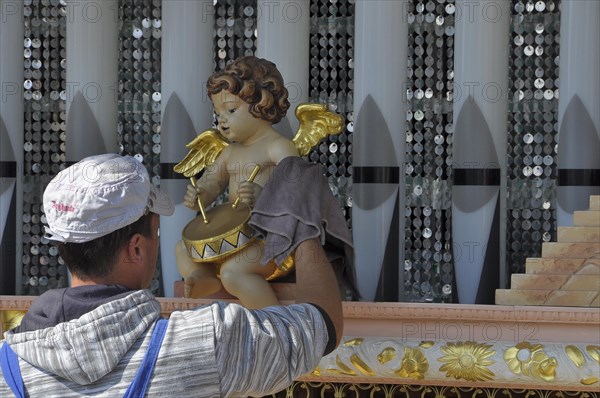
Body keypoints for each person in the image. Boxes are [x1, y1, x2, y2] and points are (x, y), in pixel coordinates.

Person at [0, 153, 343, 397]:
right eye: (155, 231)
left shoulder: (5, 367)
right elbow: (322, 325)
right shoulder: (208, 341)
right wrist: (302, 228)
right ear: (136, 248)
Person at [176, 56, 300, 308]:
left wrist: (263, 195)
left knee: (234, 272)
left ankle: (276, 325)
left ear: (261, 104)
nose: (222, 120)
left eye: (230, 111)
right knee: (182, 248)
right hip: (236, 238)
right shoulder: (229, 152)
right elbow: (211, 184)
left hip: (271, 239)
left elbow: (299, 191)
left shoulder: (278, 147)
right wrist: (199, 195)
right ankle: (204, 277)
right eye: (217, 113)